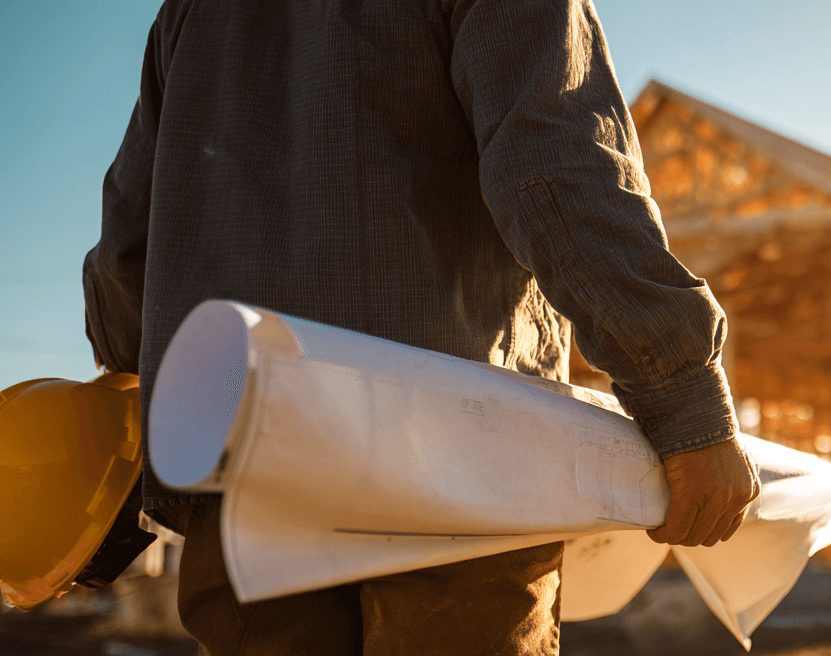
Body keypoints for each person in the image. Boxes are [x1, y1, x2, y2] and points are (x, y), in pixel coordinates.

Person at [81, 0, 758, 653]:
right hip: (450, 460)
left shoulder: (191, 14)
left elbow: (124, 253)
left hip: (242, 468)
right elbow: (555, 170)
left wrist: (147, 415)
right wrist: (680, 396)